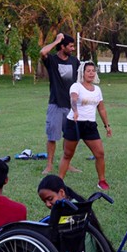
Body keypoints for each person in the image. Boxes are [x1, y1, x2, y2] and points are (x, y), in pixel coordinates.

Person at [59, 61, 112, 190]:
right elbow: (73, 99)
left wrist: (107, 126)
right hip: (74, 123)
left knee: (100, 153)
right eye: (88, 71)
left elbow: (102, 109)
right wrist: (75, 111)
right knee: (67, 154)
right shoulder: (76, 86)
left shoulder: (97, 90)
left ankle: (102, 181)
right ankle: (58, 183)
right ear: (82, 73)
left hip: (90, 125)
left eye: (93, 71)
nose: (91, 73)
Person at [40, 33, 81, 175]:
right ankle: (49, 165)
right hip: (56, 104)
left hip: (71, 105)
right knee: (52, 136)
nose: (73, 49)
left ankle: (67, 164)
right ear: (62, 46)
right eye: (70, 46)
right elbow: (43, 52)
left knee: (69, 137)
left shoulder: (74, 61)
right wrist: (57, 40)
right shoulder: (51, 60)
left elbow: (81, 79)